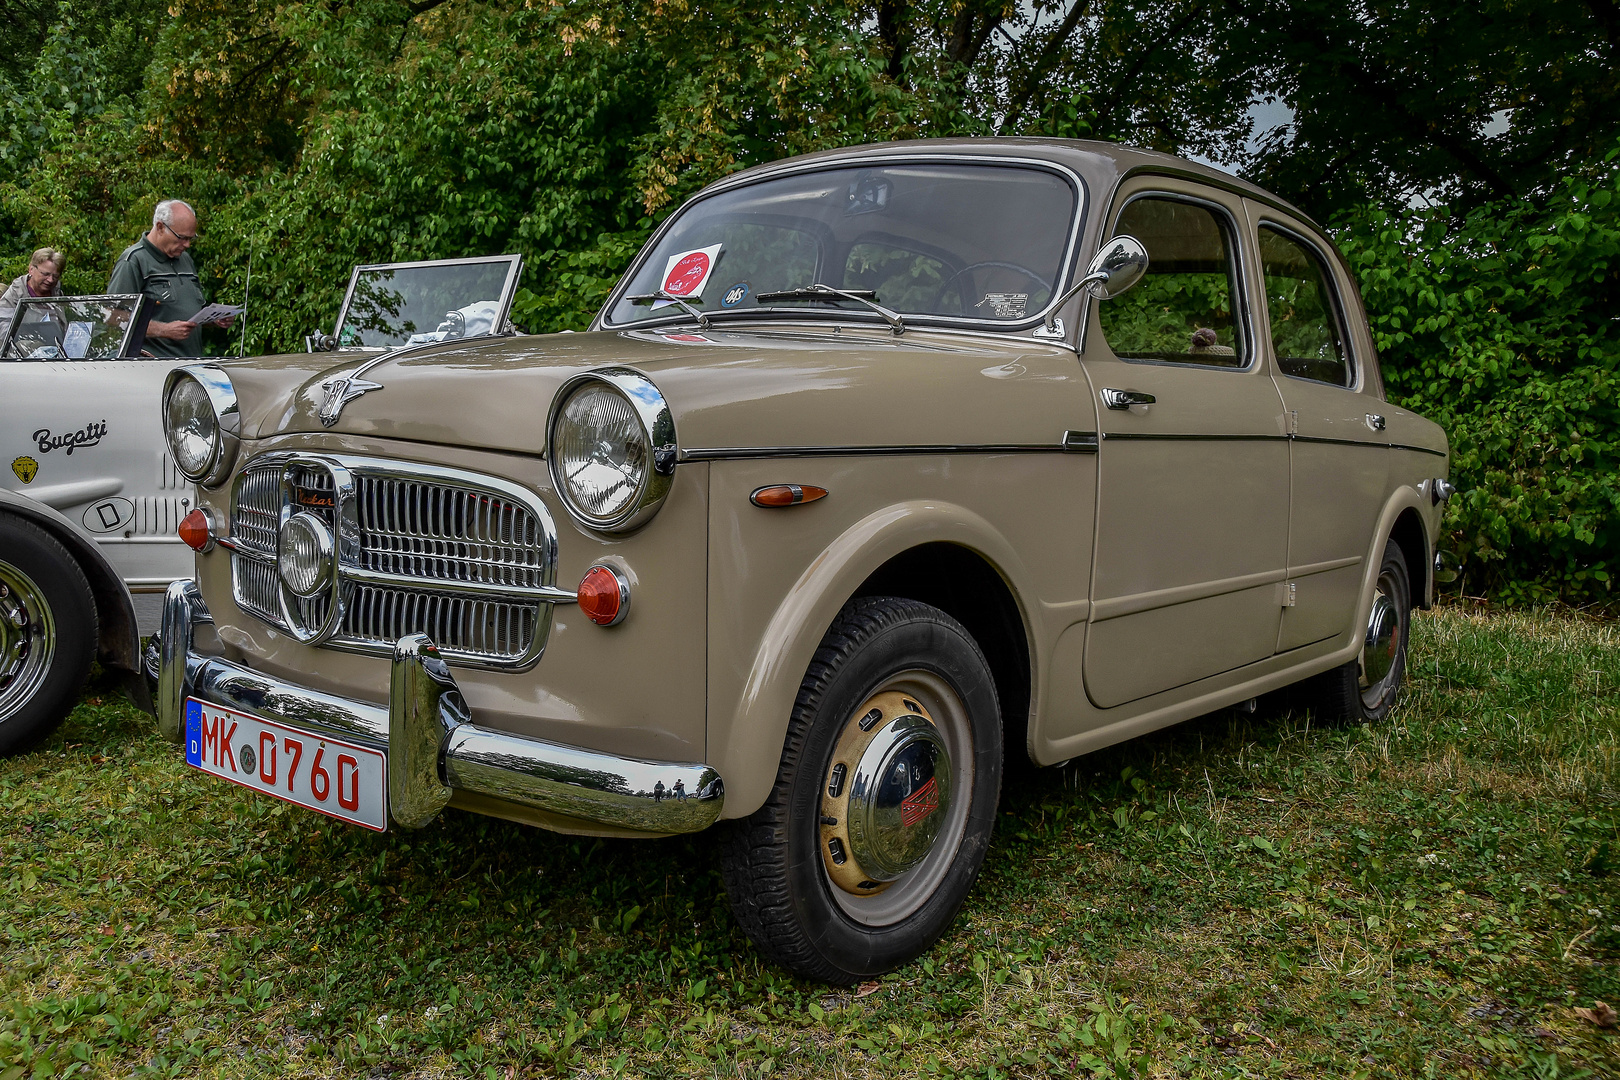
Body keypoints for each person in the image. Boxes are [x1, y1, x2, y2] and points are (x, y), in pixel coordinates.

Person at [106, 200, 232, 357]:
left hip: (188, 367)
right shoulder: (133, 261)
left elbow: (186, 311)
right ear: (160, 227)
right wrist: (163, 330)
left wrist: (213, 319)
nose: (187, 245)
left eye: (190, 239)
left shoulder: (185, 259)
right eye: (182, 238)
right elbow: (112, 317)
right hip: (153, 368)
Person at [0, 248, 66, 324]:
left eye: (55, 276)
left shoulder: (57, 294)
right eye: (45, 274)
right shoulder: (14, 296)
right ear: (31, 269)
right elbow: (3, 328)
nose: (50, 280)